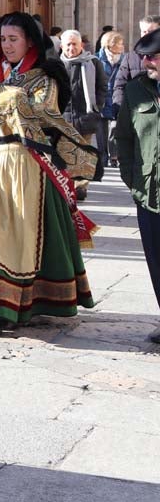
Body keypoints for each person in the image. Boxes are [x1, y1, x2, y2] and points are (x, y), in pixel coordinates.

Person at [0, 12, 97, 336]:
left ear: (29, 42)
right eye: (3, 39)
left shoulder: (44, 76)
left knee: (24, 238)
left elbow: (38, 114)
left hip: (30, 166)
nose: (6, 46)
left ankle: (27, 302)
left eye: (13, 39)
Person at [115, 28, 160, 344]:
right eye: (144, 57)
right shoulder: (135, 90)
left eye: (153, 57)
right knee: (156, 260)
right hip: (149, 193)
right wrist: (133, 182)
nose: (147, 62)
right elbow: (124, 138)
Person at [60, 29, 107, 200]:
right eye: (68, 44)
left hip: (86, 116)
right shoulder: (57, 65)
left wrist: (96, 107)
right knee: (66, 153)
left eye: (74, 44)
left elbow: (102, 86)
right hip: (63, 118)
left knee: (83, 153)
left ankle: (80, 186)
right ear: (62, 46)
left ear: (81, 45)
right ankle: (68, 185)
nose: (71, 48)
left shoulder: (93, 63)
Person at [112, 15, 160, 112]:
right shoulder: (131, 57)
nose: (146, 35)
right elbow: (120, 85)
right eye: (144, 31)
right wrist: (122, 111)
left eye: (150, 32)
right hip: (138, 111)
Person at [97, 30, 125, 167]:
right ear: (110, 45)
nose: (122, 46)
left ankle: (114, 155)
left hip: (117, 98)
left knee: (115, 128)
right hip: (102, 98)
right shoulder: (97, 59)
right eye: (120, 44)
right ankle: (102, 157)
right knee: (101, 131)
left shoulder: (124, 59)